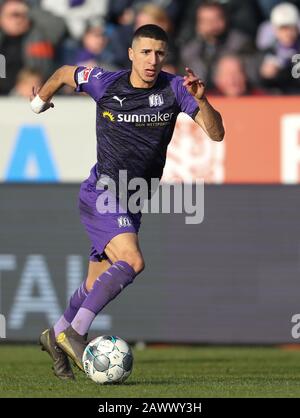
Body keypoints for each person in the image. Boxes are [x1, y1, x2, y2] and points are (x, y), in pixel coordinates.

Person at [31, 24, 224, 379]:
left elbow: (216, 133)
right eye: (146, 52)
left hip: (133, 199)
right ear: (132, 54)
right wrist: (39, 102)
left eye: (159, 53)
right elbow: (61, 73)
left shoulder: (176, 89)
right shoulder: (105, 82)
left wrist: (200, 98)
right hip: (102, 192)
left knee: (94, 284)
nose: (152, 60)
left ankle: (55, 334)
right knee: (133, 261)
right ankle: (75, 333)